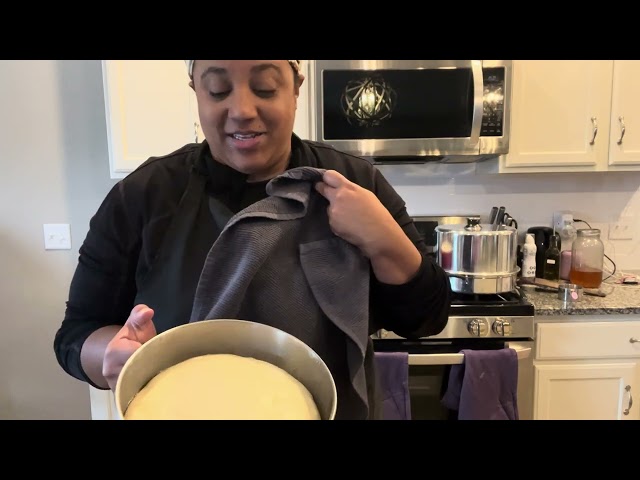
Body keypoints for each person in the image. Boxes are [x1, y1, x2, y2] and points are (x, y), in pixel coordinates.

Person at [54, 60, 451, 420]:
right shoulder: (144, 195)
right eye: (218, 90)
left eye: (264, 87)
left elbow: (425, 318)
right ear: (195, 90)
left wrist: (384, 241)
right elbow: (75, 334)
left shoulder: (356, 183)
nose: (242, 111)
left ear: (296, 88)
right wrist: (113, 355)